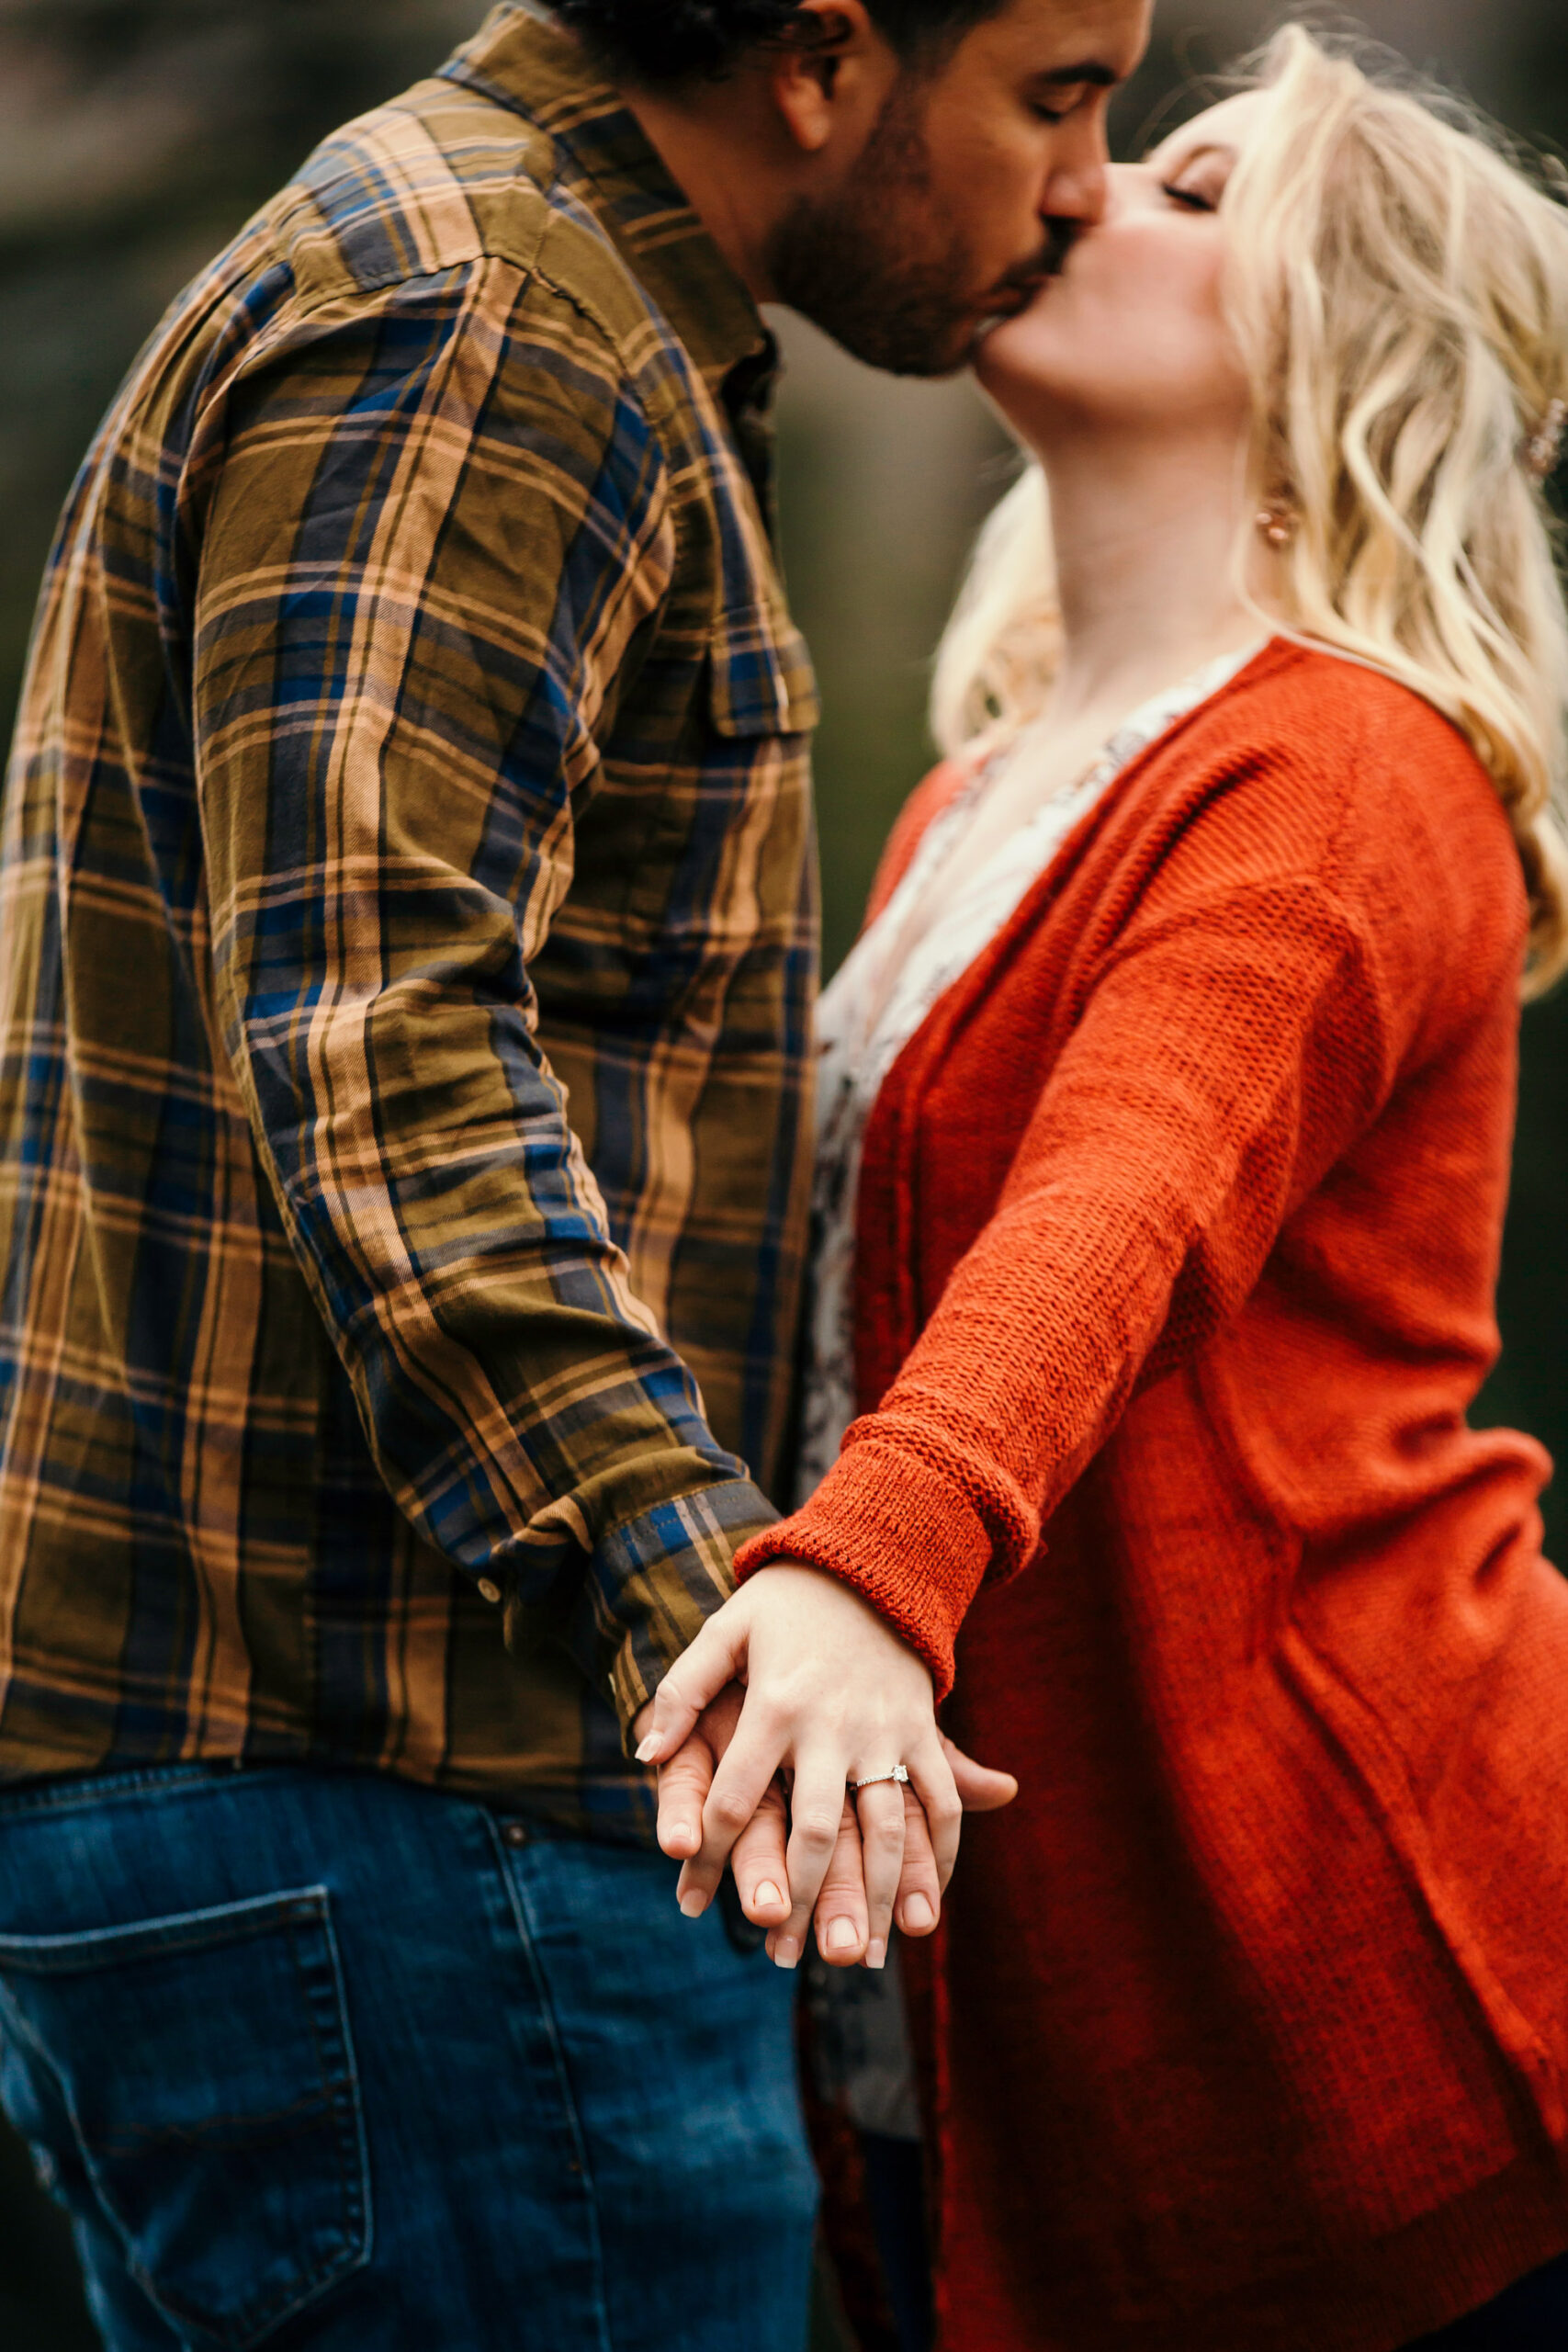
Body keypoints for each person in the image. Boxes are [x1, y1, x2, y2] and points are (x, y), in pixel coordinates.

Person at [0, 2, 1152, 2345]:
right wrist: (722, 1627)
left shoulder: (518, 296)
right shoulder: (485, 321)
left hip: (334, 1809)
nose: (1083, 185)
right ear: (823, 57)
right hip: (414, 1797)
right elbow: (380, 1036)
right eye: (1052, 93)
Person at [643, 22, 1568, 2351]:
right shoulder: (976, 804)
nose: (1077, 196)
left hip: (1358, 1970)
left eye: (1180, 190)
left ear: (1330, 347)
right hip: (1006, 2024)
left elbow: (1125, 1189)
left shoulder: (1347, 766)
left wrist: (869, 1556)